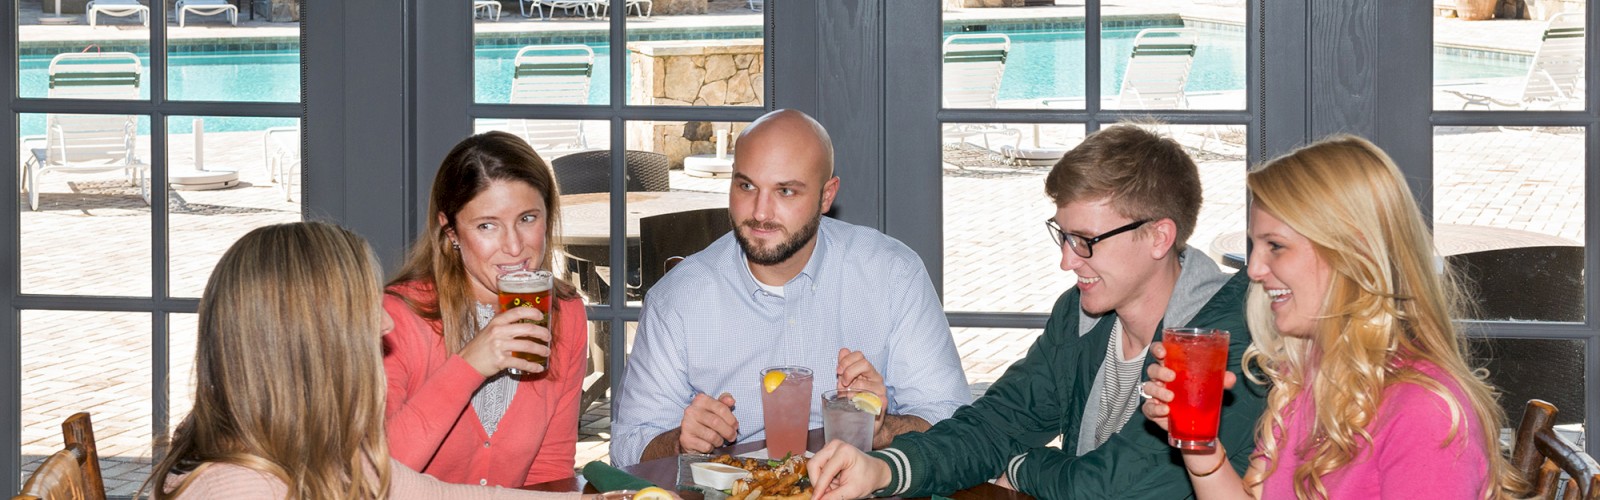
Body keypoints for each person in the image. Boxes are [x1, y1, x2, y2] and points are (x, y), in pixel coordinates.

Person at [807, 125, 1266, 499]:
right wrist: (881, 470)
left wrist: (1018, 463)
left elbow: (1111, 488)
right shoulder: (1081, 315)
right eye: (1062, 236)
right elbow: (996, 422)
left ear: (1160, 237)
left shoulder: (1224, 342)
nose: (1067, 260)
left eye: (1085, 241)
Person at [1139, 136, 1522, 498]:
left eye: (1276, 246)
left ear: (1352, 254)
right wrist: (1198, 443)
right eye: (1255, 246)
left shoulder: (1424, 413)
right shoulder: (1313, 377)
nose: (1254, 269)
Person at [609, 109, 971, 466]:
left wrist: (879, 431)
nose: (761, 213)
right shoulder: (678, 298)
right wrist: (681, 442)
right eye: (746, 185)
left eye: (785, 191)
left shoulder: (893, 274)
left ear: (827, 196)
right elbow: (627, 446)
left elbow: (953, 422)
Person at [143, 222, 588, 499]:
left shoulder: (321, 457)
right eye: (362, 308)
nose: (385, 326)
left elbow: (440, 495)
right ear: (308, 341)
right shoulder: (239, 488)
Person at [383, 131, 588, 487]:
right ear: (451, 232)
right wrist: (469, 366)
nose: (514, 247)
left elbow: (551, 470)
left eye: (527, 219)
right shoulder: (396, 318)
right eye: (487, 225)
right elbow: (377, 474)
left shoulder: (566, 314)